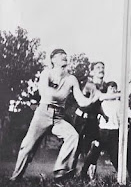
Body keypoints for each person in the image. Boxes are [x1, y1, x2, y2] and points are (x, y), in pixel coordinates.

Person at [10, 49, 99, 182]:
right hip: (43, 113)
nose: (64, 56)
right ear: (52, 59)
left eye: (65, 55)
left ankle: (60, 172)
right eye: (59, 55)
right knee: (28, 145)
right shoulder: (47, 73)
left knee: (73, 136)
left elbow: (80, 100)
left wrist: (91, 100)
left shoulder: (71, 79)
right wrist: (62, 92)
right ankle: (15, 178)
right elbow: (46, 93)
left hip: (58, 117)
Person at [81, 81, 121, 180]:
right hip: (102, 131)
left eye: (115, 88)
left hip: (114, 132)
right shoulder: (102, 100)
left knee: (114, 156)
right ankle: (84, 173)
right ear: (107, 89)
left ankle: (121, 178)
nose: (113, 90)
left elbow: (124, 116)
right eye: (111, 88)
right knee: (94, 153)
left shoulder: (120, 103)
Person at [73, 61, 106, 167]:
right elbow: (98, 96)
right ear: (92, 71)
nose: (101, 69)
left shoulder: (103, 86)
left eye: (102, 67)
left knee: (96, 145)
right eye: (98, 67)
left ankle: (86, 173)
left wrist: (103, 114)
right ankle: (70, 172)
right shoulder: (89, 84)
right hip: (81, 119)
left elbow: (96, 104)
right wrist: (122, 93)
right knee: (77, 146)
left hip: (93, 120)